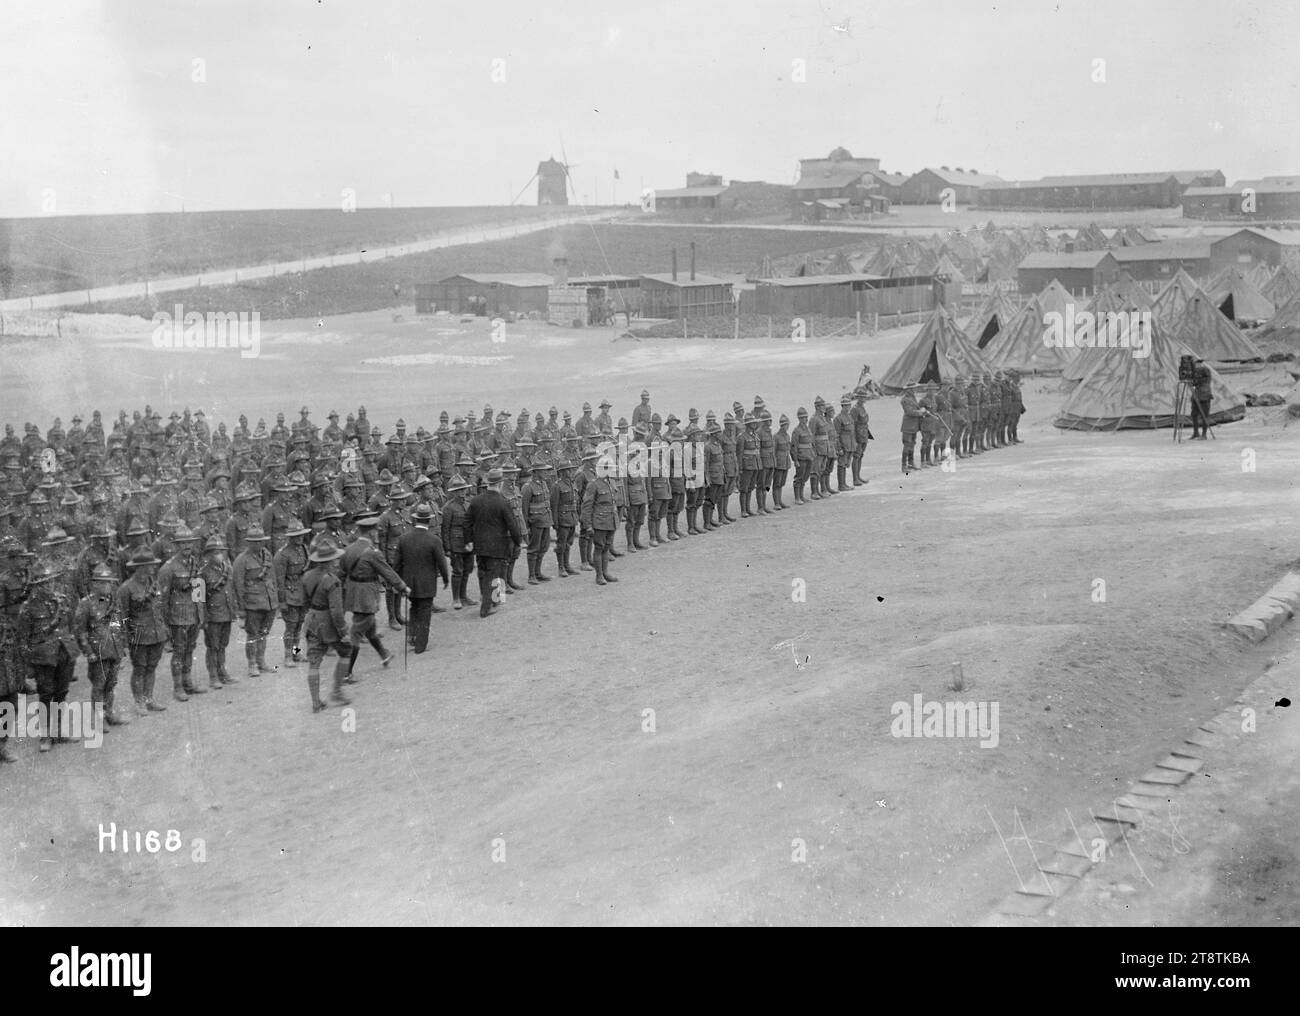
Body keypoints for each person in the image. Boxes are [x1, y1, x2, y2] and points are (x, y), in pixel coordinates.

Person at [339, 514, 409, 678]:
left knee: (370, 628)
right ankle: (346, 673)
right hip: (367, 595)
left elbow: (341, 572)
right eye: (375, 532)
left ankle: (384, 655)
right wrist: (403, 587)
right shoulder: (373, 553)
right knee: (356, 633)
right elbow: (388, 572)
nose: (377, 534)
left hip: (353, 593)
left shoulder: (348, 549)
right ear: (371, 533)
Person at [301, 536, 353, 711]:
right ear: (329, 561)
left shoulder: (307, 576)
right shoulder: (332, 580)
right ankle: (336, 692)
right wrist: (344, 632)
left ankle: (316, 702)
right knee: (346, 651)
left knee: (314, 662)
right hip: (329, 624)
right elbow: (337, 612)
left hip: (312, 621)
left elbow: (303, 601)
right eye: (335, 560)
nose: (337, 562)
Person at [72, 564, 126, 732]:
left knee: (111, 684)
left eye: (109, 583)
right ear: (94, 584)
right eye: (102, 583)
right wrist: (88, 652)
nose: (106, 586)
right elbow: (80, 631)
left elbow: (120, 625)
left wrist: (122, 647)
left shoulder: (114, 601)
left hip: (114, 649)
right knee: (99, 686)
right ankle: (99, 719)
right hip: (98, 653)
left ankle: (109, 713)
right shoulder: (85, 604)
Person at [465, 467, 523, 618]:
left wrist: (469, 540)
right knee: (494, 574)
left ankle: (493, 599)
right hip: (498, 546)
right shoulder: (502, 502)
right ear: (499, 484)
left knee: (483, 573)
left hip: (480, 545)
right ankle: (487, 607)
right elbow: (512, 525)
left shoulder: (476, 501)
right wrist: (518, 541)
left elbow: (467, 522)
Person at [393, 503, 450, 652]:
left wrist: (396, 582)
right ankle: (421, 645)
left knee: (414, 607)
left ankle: (412, 636)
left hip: (409, 582)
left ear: (415, 520)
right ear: (429, 520)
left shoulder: (403, 538)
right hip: (427, 583)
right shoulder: (434, 540)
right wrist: (445, 578)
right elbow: (442, 562)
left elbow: (397, 564)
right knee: (425, 611)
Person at [116, 549, 167, 715]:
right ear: (140, 568)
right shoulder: (126, 588)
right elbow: (121, 616)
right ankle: (139, 702)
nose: (153, 568)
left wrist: (164, 629)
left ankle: (149, 699)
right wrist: (123, 642)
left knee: (151, 667)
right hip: (139, 636)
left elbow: (159, 607)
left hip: (156, 633)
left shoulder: (154, 583)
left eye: (153, 565)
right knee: (139, 668)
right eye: (149, 566)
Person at [232, 523, 278, 678]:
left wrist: (276, 600)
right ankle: (252, 664)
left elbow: (272, 577)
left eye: (261, 541)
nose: (258, 544)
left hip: (269, 601)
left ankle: (261, 661)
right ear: (248, 542)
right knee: (253, 635)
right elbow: (238, 585)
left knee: (264, 633)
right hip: (252, 603)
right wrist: (241, 608)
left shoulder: (267, 555)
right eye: (255, 541)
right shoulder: (241, 560)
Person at [199, 535, 238, 688]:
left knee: (222, 645)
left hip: (226, 613)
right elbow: (198, 598)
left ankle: (223, 672)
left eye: (221, 551)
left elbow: (231, 590)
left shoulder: (227, 568)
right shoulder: (201, 572)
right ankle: (213, 676)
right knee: (213, 646)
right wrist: (203, 618)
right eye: (216, 552)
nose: (220, 554)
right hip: (212, 615)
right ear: (208, 554)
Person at [273, 518, 312, 668]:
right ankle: (288, 656)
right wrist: (282, 602)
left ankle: (296, 653)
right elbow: (279, 580)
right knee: (291, 626)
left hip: (302, 592)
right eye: (297, 535)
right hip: (290, 594)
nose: (300, 538)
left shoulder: (303, 549)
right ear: (290, 537)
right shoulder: (282, 555)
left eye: (301, 535)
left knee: (299, 625)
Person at [580, 455, 620, 586]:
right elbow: (587, 506)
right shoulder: (593, 484)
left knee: (606, 548)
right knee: (599, 548)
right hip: (599, 522)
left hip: (610, 520)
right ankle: (599, 575)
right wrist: (588, 525)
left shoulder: (610, 483)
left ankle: (605, 572)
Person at [440, 475, 476, 610]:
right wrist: (447, 548)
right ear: (453, 492)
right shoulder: (448, 508)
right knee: (458, 571)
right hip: (456, 544)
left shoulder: (468, 504)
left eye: (464, 490)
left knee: (467, 570)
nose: (462, 492)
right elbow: (445, 529)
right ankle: (456, 598)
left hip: (468, 543)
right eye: (459, 490)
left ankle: (464, 596)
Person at [900, 382, 925, 474]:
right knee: (907, 445)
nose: (915, 389)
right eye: (913, 388)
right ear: (909, 390)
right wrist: (920, 412)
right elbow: (909, 412)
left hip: (914, 425)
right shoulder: (905, 400)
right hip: (908, 426)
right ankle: (904, 465)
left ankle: (910, 463)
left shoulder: (912, 398)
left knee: (912, 444)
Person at [1190, 356, 1213, 439]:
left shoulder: (1205, 370)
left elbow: (1204, 381)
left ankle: (1204, 434)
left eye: (1197, 363)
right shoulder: (1194, 371)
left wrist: (1195, 378)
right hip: (1196, 395)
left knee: (1204, 415)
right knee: (1194, 415)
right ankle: (1196, 433)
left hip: (1204, 395)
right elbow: (1194, 383)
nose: (1196, 365)